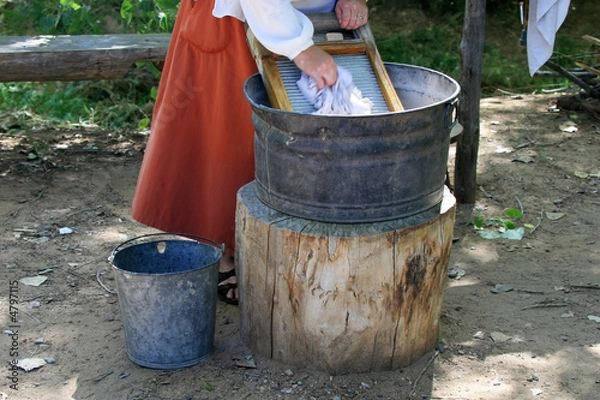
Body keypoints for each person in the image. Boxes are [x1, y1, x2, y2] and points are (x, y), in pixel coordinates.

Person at [131, 0, 369, 305]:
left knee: (304, 143)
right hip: (241, 18)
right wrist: (300, 48)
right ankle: (232, 253)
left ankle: (286, 256)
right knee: (234, 140)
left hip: (316, 19)